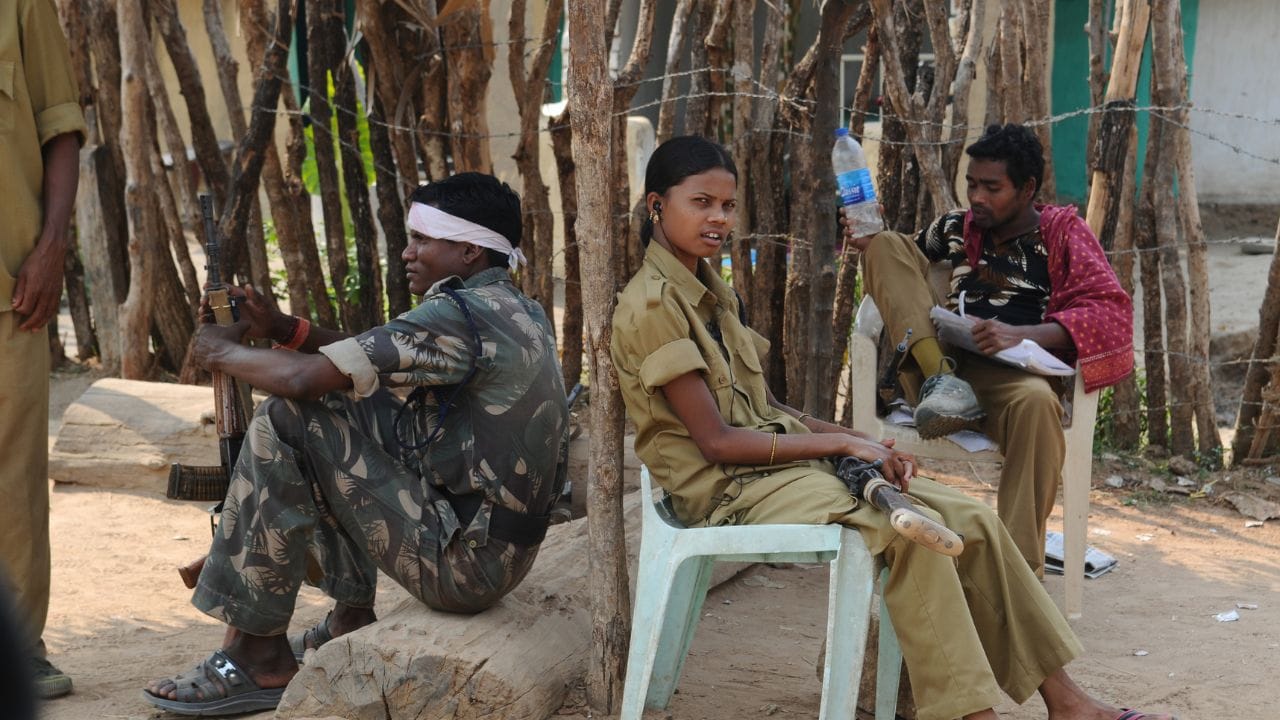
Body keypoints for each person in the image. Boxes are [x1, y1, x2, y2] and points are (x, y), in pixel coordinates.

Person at [610, 135, 1171, 720]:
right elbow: (718, 442)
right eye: (701, 203)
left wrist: (862, 444)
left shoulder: (711, 290)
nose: (719, 219)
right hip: (728, 485)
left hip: (775, 468)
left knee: (974, 519)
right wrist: (842, 441)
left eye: (726, 206)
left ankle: (1069, 704)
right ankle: (972, 714)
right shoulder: (654, 306)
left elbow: (767, 405)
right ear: (656, 205)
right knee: (914, 534)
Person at [143, 173, 571, 716]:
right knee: (346, 409)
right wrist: (280, 327)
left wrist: (220, 353)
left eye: (422, 239)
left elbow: (302, 383)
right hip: (493, 551)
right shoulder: (510, 309)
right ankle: (349, 617)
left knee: (288, 417)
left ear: (467, 249)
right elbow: (371, 356)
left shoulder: (457, 316)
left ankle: (256, 656)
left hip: (465, 568)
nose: (407, 251)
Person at [845, 123, 1133, 576]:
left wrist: (1023, 335)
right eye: (972, 184)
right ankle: (944, 383)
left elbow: (1109, 312)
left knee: (1039, 403)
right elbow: (900, 274)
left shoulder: (1060, 234)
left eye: (991, 187)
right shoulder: (956, 228)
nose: (977, 197)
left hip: (1012, 377)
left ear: (1027, 188)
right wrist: (873, 243)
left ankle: (1018, 577)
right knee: (883, 244)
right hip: (936, 367)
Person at [0, 0, 87, 701]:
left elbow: (60, 126)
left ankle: (19, 648)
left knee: (13, 478)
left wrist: (52, 244)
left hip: (9, 293)